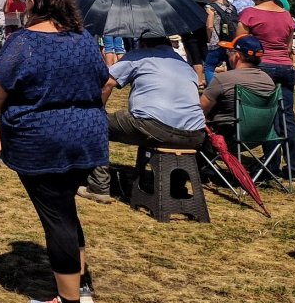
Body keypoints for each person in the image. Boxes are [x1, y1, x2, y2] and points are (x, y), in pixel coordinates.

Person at [0, 0, 108, 303]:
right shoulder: (83, 38)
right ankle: (82, 286)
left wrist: (5, 117)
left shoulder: (22, 42)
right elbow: (106, 80)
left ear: (32, 3)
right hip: (85, 135)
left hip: (41, 139)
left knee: (56, 216)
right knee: (65, 209)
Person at [81, 34, 207, 203]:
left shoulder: (140, 55)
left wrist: (96, 111)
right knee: (166, 127)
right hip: (195, 134)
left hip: (152, 126)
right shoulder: (184, 64)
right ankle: (176, 187)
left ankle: (99, 186)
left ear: (144, 42)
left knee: (93, 124)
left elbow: (107, 83)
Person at [236, 0, 295, 179]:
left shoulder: (249, 14)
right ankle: (294, 168)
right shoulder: (286, 15)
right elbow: (289, 46)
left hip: (262, 67)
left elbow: (241, 44)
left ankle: (270, 165)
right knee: (286, 117)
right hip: (285, 67)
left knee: (267, 116)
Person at [200, 35, 276, 132]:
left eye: (229, 52)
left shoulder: (223, 79)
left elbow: (200, 110)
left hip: (227, 133)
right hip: (259, 133)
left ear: (237, 56)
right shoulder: (268, 81)